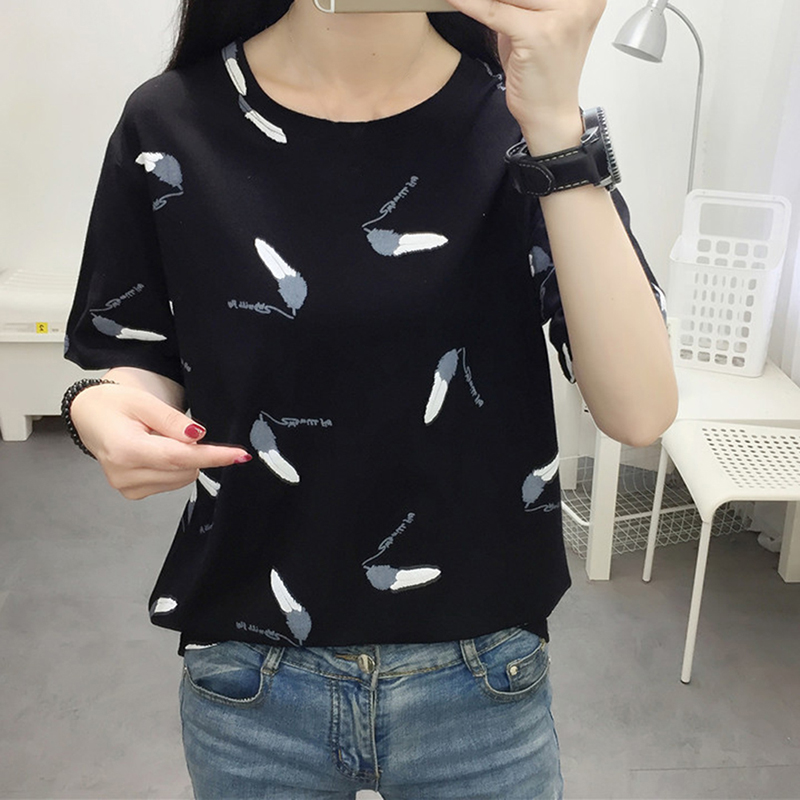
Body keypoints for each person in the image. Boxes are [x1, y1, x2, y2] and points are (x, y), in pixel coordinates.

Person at [61, 0, 678, 797]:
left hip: (482, 665)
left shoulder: (519, 123)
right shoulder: (170, 121)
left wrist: (557, 127)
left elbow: (638, 409)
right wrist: (96, 406)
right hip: (250, 667)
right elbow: (131, 349)